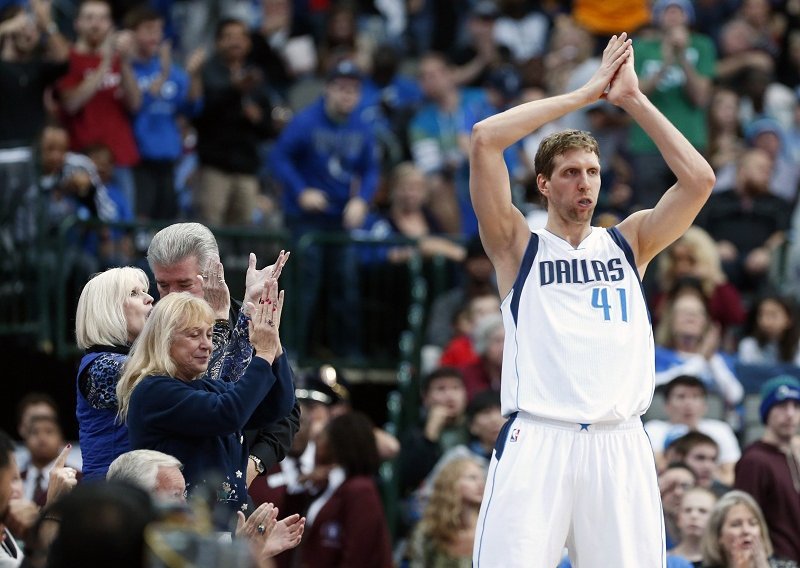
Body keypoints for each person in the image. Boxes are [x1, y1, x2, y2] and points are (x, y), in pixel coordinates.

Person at [468, 32, 717, 566]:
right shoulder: (517, 245)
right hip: (538, 438)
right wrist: (585, 94)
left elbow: (699, 179)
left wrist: (631, 99)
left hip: (619, 440)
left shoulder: (631, 241)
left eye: (593, 172)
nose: (585, 183)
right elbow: (485, 137)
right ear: (544, 184)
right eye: (571, 173)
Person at [117, 285, 295, 519]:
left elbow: (276, 407)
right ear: (164, 339)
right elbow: (229, 414)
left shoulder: (206, 387)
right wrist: (262, 354)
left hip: (219, 531)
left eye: (209, 335)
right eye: (194, 335)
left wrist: (273, 343)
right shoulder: (153, 391)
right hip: (179, 531)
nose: (207, 345)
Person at [146, 222, 300, 486]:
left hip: (233, 485)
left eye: (183, 284)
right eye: (163, 286)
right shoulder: (149, 336)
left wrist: (253, 465)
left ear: (213, 272)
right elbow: (221, 406)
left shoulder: (251, 320)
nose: (171, 297)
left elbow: (283, 411)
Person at [269, 58, 378, 358]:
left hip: (341, 219)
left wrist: (362, 199)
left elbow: (370, 170)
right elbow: (279, 158)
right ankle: (290, 355)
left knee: (346, 288)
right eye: (341, 88)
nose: (347, 96)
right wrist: (301, 190)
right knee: (305, 288)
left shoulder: (362, 127)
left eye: (353, 90)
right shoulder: (306, 121)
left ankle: (349, 356)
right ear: (328, 89)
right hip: (306, 219)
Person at [74, 266, 153, 480]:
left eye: (145, 291)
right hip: (110, 501)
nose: (150, 298)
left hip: (136, 494)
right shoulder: (101, 367)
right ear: (108, 309)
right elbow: (174, 379)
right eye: (134, 293)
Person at [293, 411, 393, 568]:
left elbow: (357, 557)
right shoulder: (330, 483)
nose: (317, 442)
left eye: (322, 436)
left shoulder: (361, 490)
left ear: (338, 443)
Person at [734, 375, 800, 563]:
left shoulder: (794, 454)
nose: (790, 414)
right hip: (775, 561)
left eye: (796, 406)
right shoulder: (755, 460)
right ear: (766, 411)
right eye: (781, 406)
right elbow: (743, 519)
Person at [645, 375, 741, 485]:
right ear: (667, 405)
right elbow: (658, 468)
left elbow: (731, 476)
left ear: (705, 406)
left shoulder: (721, 430)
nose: (688, 403)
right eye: (681, 397)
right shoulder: (653, 429)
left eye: (695, 397)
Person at [407, 456, 486, 568]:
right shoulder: (429, 531)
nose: (481, 484)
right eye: (472, 478)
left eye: (482, 478)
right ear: (451, 483)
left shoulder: (489, 529)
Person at [700, 490, 795, 568]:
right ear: (718, 536)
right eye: (736, 525)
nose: (746, 531)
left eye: (753, 523)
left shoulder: (787, 566)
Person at [738, 295, 800, 368]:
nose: (765, 321)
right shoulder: (748, 345)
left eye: (773, 315)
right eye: (761, 315)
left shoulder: (798, 346)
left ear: (789, 319)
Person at [670, 486, 718, 566]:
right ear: (678, 518)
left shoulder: (723, 561)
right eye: (688, 510)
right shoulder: (663, 560)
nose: (694, 516)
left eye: (702, 511)